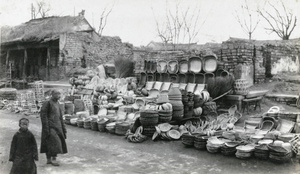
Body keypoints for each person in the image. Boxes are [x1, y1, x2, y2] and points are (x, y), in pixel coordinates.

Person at [40, 89, 67, 166]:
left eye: (59, 94)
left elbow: (60, 116)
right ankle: (51, 158)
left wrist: (63, 127)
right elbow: (43, 115)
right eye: (56, 94)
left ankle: (52, 158)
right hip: (50, 126)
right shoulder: (47, 103)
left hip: (58, 126)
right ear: (52, 95)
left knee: (55, 142)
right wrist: (46, 127)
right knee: (53, 142)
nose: (58, 96)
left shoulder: (57, 103)